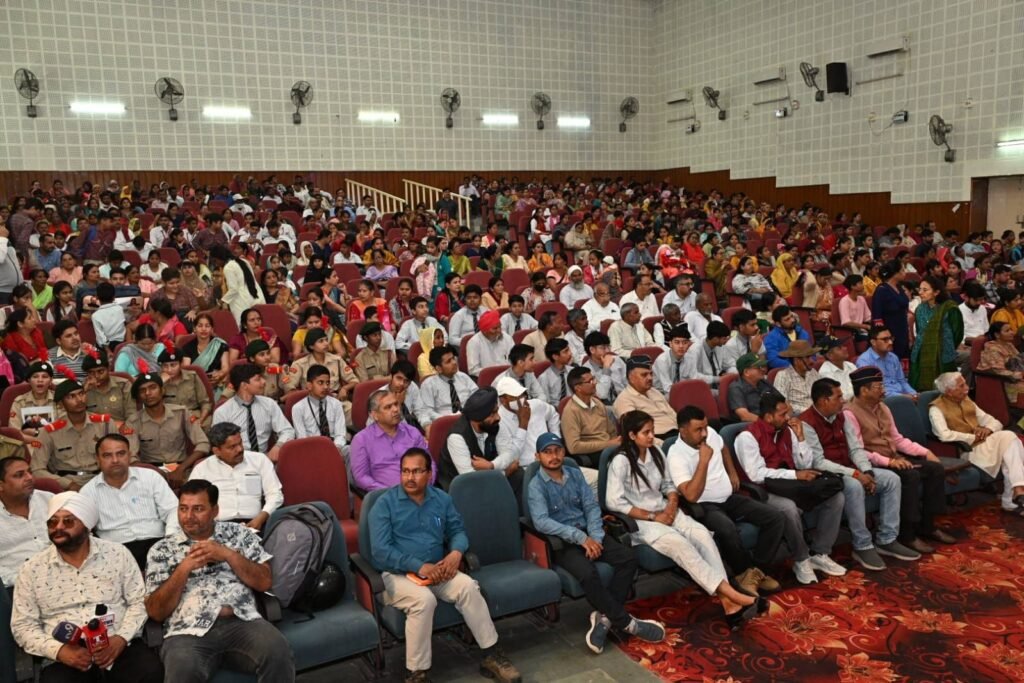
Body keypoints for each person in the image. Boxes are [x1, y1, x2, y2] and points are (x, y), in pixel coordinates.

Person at [368, 448, 520, 683]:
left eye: (417, 471)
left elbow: (458, 531)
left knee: (468, 587)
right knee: (423, 600)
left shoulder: (441, 499)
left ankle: (491, 655)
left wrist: (456, 553)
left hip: (437, 570)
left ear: (429, 474)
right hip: (397, 575)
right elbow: (380, 551)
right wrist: (418, 566)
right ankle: (416, 674)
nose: (410, 477)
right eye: (405, 471)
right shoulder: (385, 504)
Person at [528, 432, 667, 652]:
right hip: (563, 542)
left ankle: (604, 618)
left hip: (591, 533)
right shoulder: (536, 485)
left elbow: (591, 507)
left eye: (557, 450)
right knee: (587, 573)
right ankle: (627, 623)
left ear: (563, 452)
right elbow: (542, 522)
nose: (554, 456)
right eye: (547, 452)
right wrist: (581, 538)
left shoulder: (575, 474)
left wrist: (595, 537)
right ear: (538, 456)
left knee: (628, 558)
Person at [144, 479, 295, 682]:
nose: (188, 516)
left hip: (242, 622)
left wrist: (228, 555)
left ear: (215, 510)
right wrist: (184, 568)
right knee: (182, 669)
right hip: (187, 632)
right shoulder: (162, 550)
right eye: (183, 509)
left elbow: (264, 581)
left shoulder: (239, 534)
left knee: (277, 650)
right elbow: (156, 612)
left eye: (198, 509)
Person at [11, 491, 164, 682]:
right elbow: (23, 625)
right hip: (65, 656)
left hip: (119, 644)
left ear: (87, 525)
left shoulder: (118, 554)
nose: (58, 527)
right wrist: (59, 651)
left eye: (68, 521)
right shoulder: (32, 569)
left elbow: (139, 601)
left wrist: (121, 638)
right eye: (52, 522)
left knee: (149, 671)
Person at [668, 406, 786, 596]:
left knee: (776, 518)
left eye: (705, 427)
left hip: (729, 497)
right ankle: (742, 573)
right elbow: (690, 495)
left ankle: (756, 572)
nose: (704, 433)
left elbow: (723, 448)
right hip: (704, 505)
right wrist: (703, 461)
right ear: (683, 431)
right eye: (698, 430)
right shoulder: (676, 455)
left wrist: (732, 472)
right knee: (727, 529)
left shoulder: (711, 433)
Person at [733, 392, 847, 584]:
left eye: (788, 413)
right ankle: (801, 559)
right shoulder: (747, 437)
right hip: (761, 490)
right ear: (768, 417)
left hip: (790, 485)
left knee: (835, 497)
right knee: (788, 508)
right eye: (782, 414)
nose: (788, 417)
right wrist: (795, 475)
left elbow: (805, 464)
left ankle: (820, 553)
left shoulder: (787, 430)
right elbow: (756, 475)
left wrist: (801, 438)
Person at [799, 378, 909, 571]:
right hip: (828, 474)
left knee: (892, 479)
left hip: (851, 468)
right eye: (838, 396)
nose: (843, 400)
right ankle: (862, 544)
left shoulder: (841, 416)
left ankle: (887, 539)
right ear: (824, 400)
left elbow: (855, 449)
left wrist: (867, 471)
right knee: (854, 486)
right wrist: (856, 474)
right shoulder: (806, 422)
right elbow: (818, 462)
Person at [844, 367, 947, 556]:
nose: (883, 390)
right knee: (910, 476)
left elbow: (897, 439)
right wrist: (888, 462)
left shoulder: (883, 407)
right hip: (873, 464)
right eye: (878, 387)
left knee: (934, 469)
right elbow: (857, 451)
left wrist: (925, 452)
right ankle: (907, 535)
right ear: (864, 390)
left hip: (894, 458)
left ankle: (928, 526)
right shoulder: (849, 413)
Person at [929, 371, 1024, 514]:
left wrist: (987, 429)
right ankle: (1012, 497)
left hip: (984, 443)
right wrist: (972, 437)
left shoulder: (967, 401)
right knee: (1010, 448)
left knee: (1010, 438)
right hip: (967, 450)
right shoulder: (936, 408)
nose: (967, 388)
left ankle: (1017, 490)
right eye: (961, 386)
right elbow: (944, 435)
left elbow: (995, 422)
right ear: (949, 391)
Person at [79, 434, 179, 568]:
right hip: (114, 552)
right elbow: (83, 530)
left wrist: (170, 540)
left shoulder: (150, 477)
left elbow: (172, 510)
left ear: (130, 455)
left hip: (157, 543)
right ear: (97, 459)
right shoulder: (88, 492)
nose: (115, 460)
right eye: (107, 455)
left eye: (121, 453)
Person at [30, 374, 139, 491]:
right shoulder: (49, 432)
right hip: (67, 486)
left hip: (103, 481)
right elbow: (37, 469)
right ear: (61, 404)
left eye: (81, 394)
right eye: (71, 396)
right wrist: (68, 484)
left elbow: (119, 455)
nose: (79, 400)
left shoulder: (105, 424)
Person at [188, 423, 283, 532]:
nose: (239, 449)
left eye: (240, 443)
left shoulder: (260, 460)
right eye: (232, 447)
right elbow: (192, 502)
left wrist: (261, 517)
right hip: (217, 528)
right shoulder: (202, 469)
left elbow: (275, 494)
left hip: (255, 524)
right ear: (217, 451)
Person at [127, 367, 210, 479]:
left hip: (181, 468)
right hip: (151, 473)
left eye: (152, 388)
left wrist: (181, 469)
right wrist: (153, 474)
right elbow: (131, 457)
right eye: (142, 390)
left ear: (162, 390)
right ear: (138, 397)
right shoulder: (133, 422)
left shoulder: (181, 413)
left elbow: (203, 444)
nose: (148, 393)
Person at [211, 365, 295, 462]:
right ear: (244, 385)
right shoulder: (223, 412)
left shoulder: (269, 404)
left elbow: (287, 430)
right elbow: (218, 445)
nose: (263, 382)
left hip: (265, 459)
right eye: (258, 379)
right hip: (235, 461)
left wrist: (278, 446)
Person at [351, 389, 430, 491]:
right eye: (388, 407)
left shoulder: (412, 432)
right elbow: (361, 478)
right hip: (387, 496)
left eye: (396, 404)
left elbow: (429, 463)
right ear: (374, 415)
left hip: (421, 491)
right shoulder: (361, 440)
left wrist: (425, 484)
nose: (396, 409)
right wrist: (390, 493)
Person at [0, 455, 53, 587]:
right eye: (19, 475)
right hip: (16, 585)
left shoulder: (49, 500)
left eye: (29, 472)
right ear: (1, 485)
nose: (29, 478)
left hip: (61, 575)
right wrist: (23, 579)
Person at [909, 276, 964, 391]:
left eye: (925, 290)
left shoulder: (950, 308)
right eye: (920, 289)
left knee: (946, 389)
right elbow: (919, 331)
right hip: (921, 352)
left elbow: (957, 333)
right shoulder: (920, 309)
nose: (920, 293)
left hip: (943, 353)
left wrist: (946, 345)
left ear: (936, 292)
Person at [613, 356, 677, 439]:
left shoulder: (654, 391)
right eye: (644, 375)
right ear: (631, 378)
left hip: (677, 433)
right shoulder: (624, 400)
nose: (650, 378)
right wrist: (662, 444)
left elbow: (672, 414)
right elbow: (635, 434)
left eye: (651, 374)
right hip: (657, 439)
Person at [416, 345, 477, 431]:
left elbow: (477, 396)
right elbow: (428, 411)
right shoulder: (429, 385)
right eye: (448, 361)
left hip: (470, 420)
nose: (454, 362)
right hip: (445, 425)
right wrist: (448, 419)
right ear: (439, 368)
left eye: (453, 358)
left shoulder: (463, 377)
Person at [291, 364, 349, 454]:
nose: (325, 387)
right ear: (309, 385)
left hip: (335, 447)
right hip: (311, 450)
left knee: (350, 450)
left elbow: (340, 433)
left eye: (327, 383)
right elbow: (302, 438)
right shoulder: (298, 408)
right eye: (320, 383)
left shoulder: (336, 404)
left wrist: (336, 447)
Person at [856, 326, 917, 399]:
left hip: (901, 396)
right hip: (883, 399)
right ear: (873, 342)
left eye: (891, 338)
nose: (890, 342)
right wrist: (903, 397)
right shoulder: (865, 361)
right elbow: (873, 390)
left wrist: (914, 394)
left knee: (924, 398)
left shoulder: (893, 357)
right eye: (885, 339)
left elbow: (902, 381)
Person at [159, 348, 212, 428]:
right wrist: (160, 383)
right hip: (170, 419)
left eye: (173, 365)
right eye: (165, 366)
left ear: (181, 364)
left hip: (193, 415)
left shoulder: (192, 377)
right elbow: (153, 406)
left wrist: (201, 420)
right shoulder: (158, 381)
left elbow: (205, 403)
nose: (169, 370)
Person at [214, 244, 266, 325]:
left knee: (243, 328)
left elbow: (233, 289)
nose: (215, 263)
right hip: (257, 298)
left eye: (215, 260)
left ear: (219, 258)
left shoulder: (228, 267)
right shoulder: (244, 261)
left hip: (242, 302)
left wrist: (220, 302)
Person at [871, 260, 911, 359]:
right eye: (902, 270)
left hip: (902, 328)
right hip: (890, 330)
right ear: (895, 273)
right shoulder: (881, 290)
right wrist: (885, 337)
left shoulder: (899, 287)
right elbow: (877, 317)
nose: (905, 272)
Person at [81, 349, 135, 422]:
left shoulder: (123, 385)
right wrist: (84, 392)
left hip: (121, 427)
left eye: (101, 371)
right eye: (91, 373)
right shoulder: (83, 388)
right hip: (94, 427)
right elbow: (74, 416)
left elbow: (132, 415)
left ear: (108, 368)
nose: (97, 376)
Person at [977, 320, 1024, 402]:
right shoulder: (993, 349)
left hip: (1018, 376)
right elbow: (998, 371)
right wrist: (1020, 374)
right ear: (997, 335)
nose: (1012, 332)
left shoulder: (1008, 344)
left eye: (1011, 329)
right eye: (1007, 331)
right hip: (1007, 382)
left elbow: (1019, 361)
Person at [180, 312, 230, 388]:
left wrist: (220, 374)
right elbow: (186, 369)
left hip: (216, 383)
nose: (204, 329)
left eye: (207, 326)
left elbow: (225, 367)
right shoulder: (187, 348)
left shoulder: (220, 345)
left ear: (212, 329)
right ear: (194, 328)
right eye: (200, 326)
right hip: (195, 384)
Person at [772, 340, 821, 414]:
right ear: (796, 360)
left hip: (818, 412)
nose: (812, 361)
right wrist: (810, 411)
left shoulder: (813, 372)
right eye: (807, 357)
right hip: (798, 415)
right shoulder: (783, 376)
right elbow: (781, 403)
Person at [583, 331, 628, 404]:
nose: (608, 350)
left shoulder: (616, 360)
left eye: (608, 346)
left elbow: (628, 383)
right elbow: (602, 395)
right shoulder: (586, 371)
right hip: (604, 405)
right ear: (592, 350)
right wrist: (606, 368)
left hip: (625, 400)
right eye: (603, 348)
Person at [465, 310, 513, 377]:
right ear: (484, 331)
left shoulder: (506, 337)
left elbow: (514, 360)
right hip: (488, 378)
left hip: (508, 377)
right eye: (495, 328)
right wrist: (493, 374)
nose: (499, 330)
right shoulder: (474, 342)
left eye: (500, 326)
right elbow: (473, 370)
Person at [720, 309, 765, 374]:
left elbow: (763, 364)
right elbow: (741, 370)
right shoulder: (730, 346)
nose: (756, 327)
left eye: (756, 324)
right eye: (752, 325)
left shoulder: (756, 338)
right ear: (741, 327)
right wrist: (753, 352)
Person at [652, 324, 693, 394]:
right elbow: (667, 388)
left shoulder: (690, 358)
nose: (681, 346)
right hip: (661, 393)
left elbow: (693, 381)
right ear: (670, 344)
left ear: (689, 344)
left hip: (682, 391)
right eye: (677, 342)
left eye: (684, 343)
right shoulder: (662, 361)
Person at [817, 336, 857, 401]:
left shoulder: (850, 365)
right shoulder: (825, 373)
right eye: (839, 348)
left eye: (843, 346)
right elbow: (841, 398)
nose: (845, 348)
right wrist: (858, 390)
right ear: (829, 355)